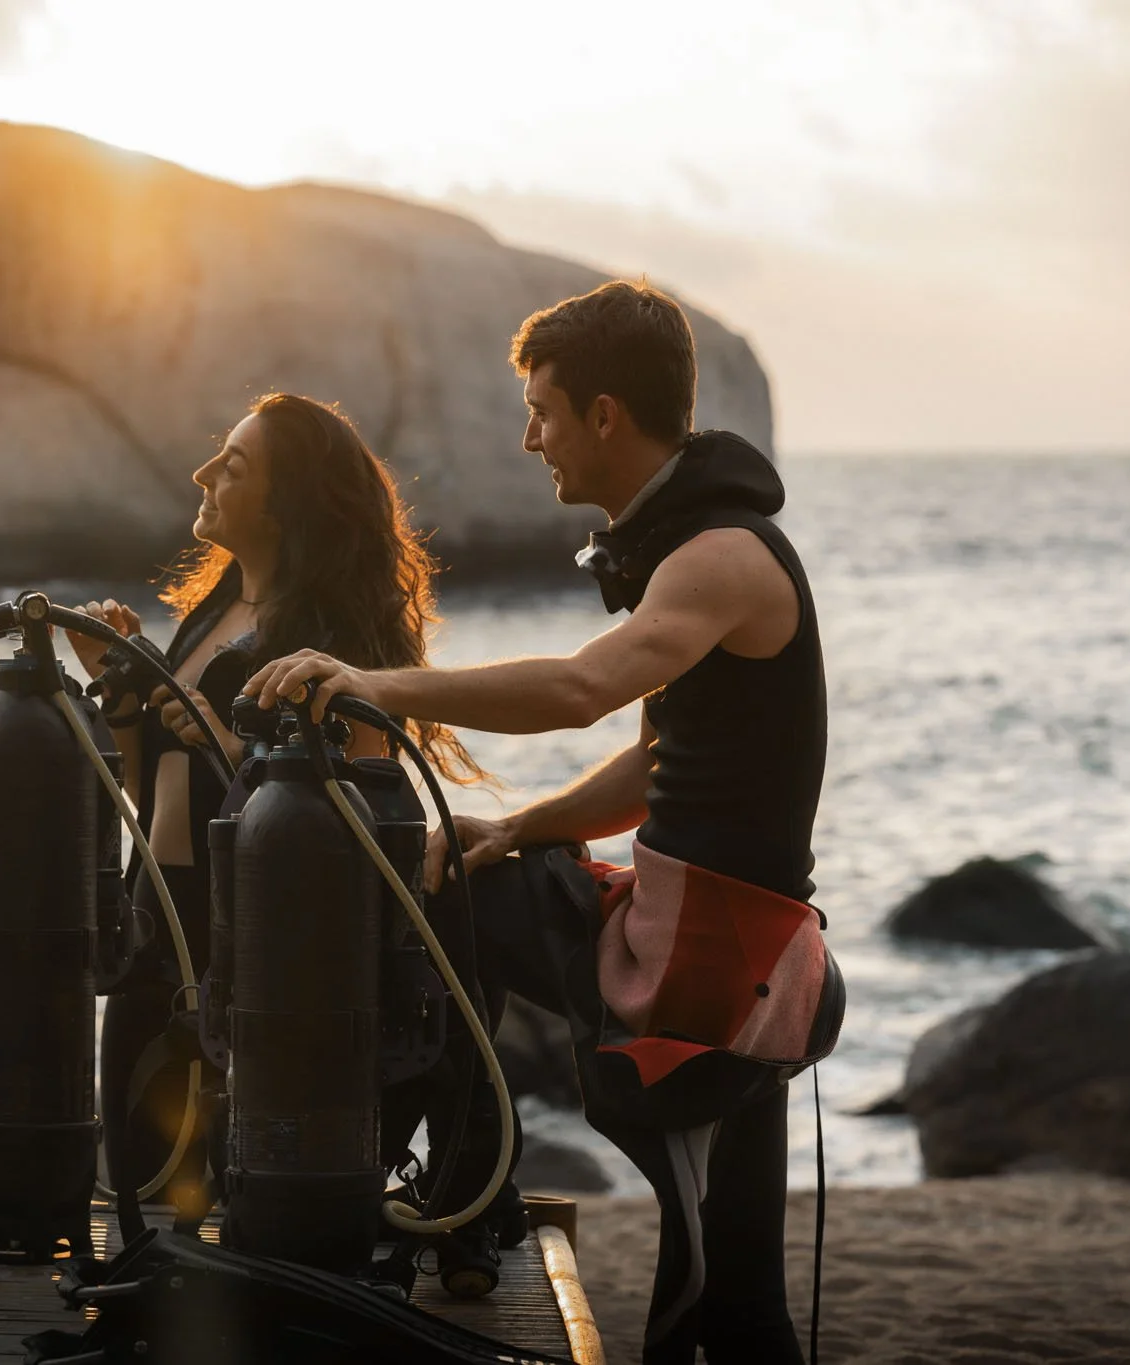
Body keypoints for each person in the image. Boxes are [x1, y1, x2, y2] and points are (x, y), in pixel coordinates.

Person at [246, 280, 842, 1363]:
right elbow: (656, 766)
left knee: (729, 1297)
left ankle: (458, 1196)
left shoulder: (718, 557)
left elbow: (578, 691)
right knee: (732, 1292)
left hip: (709, 963)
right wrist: (518, 828)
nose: (529, 440)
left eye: (542, 412)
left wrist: (374, 684)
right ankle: (465, 1194)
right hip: (705, 934)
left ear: (603, 415)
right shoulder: (689, 550)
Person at [62, 391, 491, 1230]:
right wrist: (119, 691)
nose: (203, 473)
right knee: (140, 1189)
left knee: (233, 1196)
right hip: (161, 918)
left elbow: (359, 814)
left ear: (288, 501)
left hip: (259, 947)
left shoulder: (332, 643)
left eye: (234, 464)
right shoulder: (208, 612)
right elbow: (153, 795)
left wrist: (222, 736)